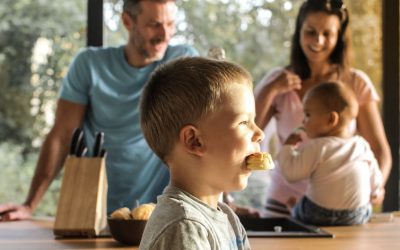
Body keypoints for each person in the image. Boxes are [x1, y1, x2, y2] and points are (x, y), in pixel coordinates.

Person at [0, 0, 198, 221]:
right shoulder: (89, 64)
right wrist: (29, 205)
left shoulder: (181, 61)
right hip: (93, 210)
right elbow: (62, 136)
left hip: (161, 212)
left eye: (170, 24)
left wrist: (224, 201)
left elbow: (206, 129)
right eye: (154, 24)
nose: (165, 34)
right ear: (127, 21)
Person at [255, 0, 391, 217]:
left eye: (327, 33)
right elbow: (248, 134)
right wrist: (269, 90)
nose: (318, 40)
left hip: (338, 207)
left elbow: (379, 151)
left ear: (339, 38)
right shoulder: (278, 81)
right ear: (299, 31)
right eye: (311, 32)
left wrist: (376, 187)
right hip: (283, 202)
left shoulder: (356, 83)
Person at [139, 57, 264, 249]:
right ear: (194, 141)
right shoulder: (184, 226)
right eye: (244, 122)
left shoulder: (227, 218)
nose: (259, 134)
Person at [278, 82, 383, 226]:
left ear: (330, 119)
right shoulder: (362, 145)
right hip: (356, 215)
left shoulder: (318, 146)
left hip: (317, 213)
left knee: (298, 214)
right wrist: (376, 192)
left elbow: (291, 174)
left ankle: (296, 211)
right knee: (367, 208)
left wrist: (287, 148)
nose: (303, 121)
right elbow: (375, 177)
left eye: (308, 114)